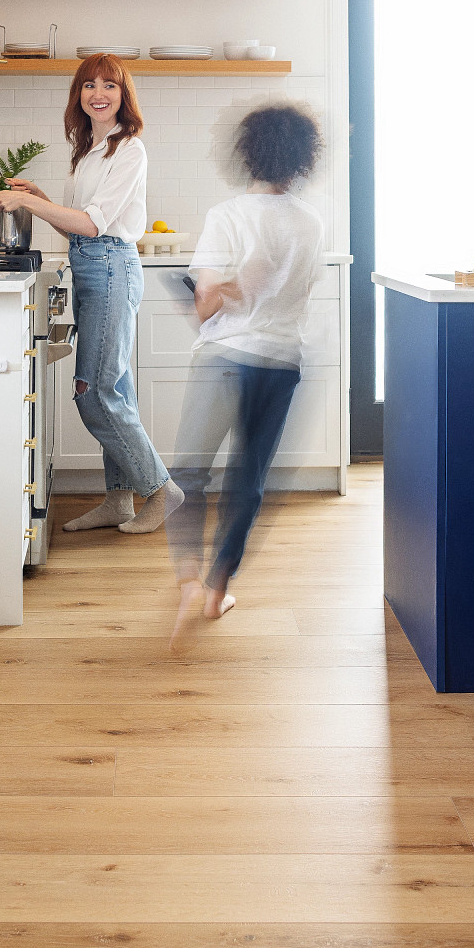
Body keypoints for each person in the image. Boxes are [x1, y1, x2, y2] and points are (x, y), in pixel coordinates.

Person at [0, 54, 182, 534]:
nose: (99, 94)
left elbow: (95, 226)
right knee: (113, 388)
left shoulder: (129, 150)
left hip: (112, 267)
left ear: (123, 95)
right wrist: (45, 198)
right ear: (79, 95)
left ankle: (159, 490)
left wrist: (30, 202)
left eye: (109, 86)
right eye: (89, 85)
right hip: (95, 267)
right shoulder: (92, 148)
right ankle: (119, 500)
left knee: (94, 391)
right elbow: (83, 220)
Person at [166, 102, 326, 651]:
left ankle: (188, 578)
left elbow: (206, 307)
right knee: (248, 480)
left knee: (188, 473)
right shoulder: (310, 223)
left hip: (226, 358)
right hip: (282, 362)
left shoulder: (227, 215)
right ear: (303, 159)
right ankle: (218, 590)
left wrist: (222, 290)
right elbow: (293, 296)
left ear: (247, 153)